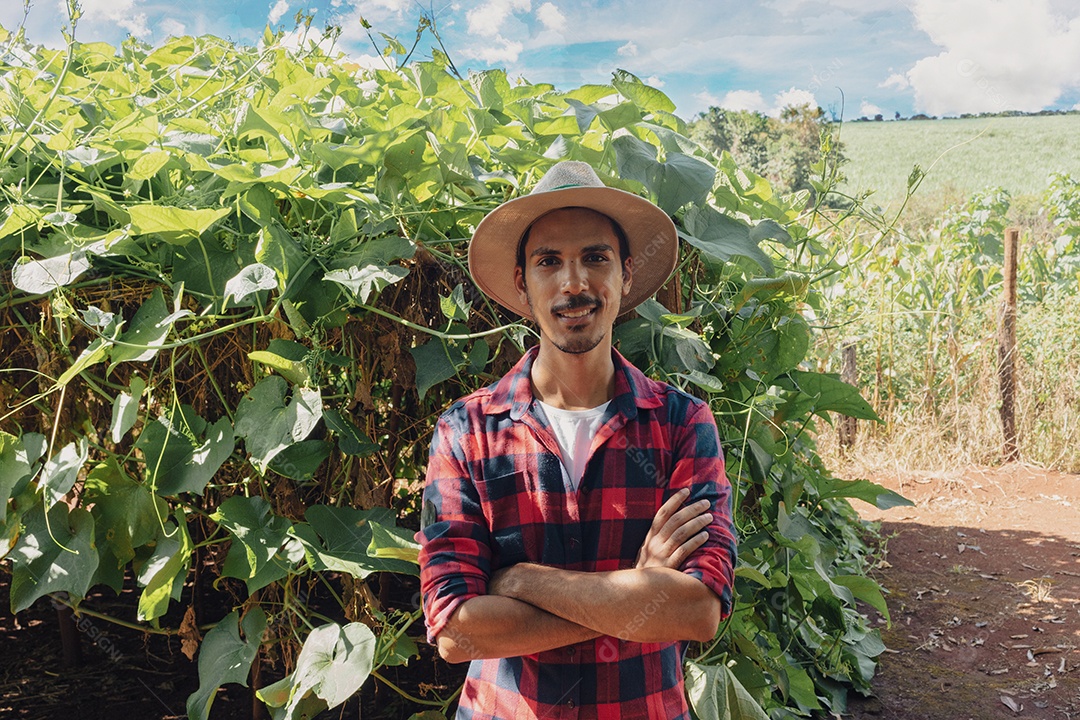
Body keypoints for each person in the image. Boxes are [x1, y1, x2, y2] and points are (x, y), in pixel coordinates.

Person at [416, 160, 737, 719]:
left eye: (595, 258)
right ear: (523, 283)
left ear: (626, 275)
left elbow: (697, 612)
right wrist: (636, 593)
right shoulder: (466, 432)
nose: (574, 284)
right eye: (549, 262)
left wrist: (519, 581)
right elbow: (456, 634)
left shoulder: (682, 423)